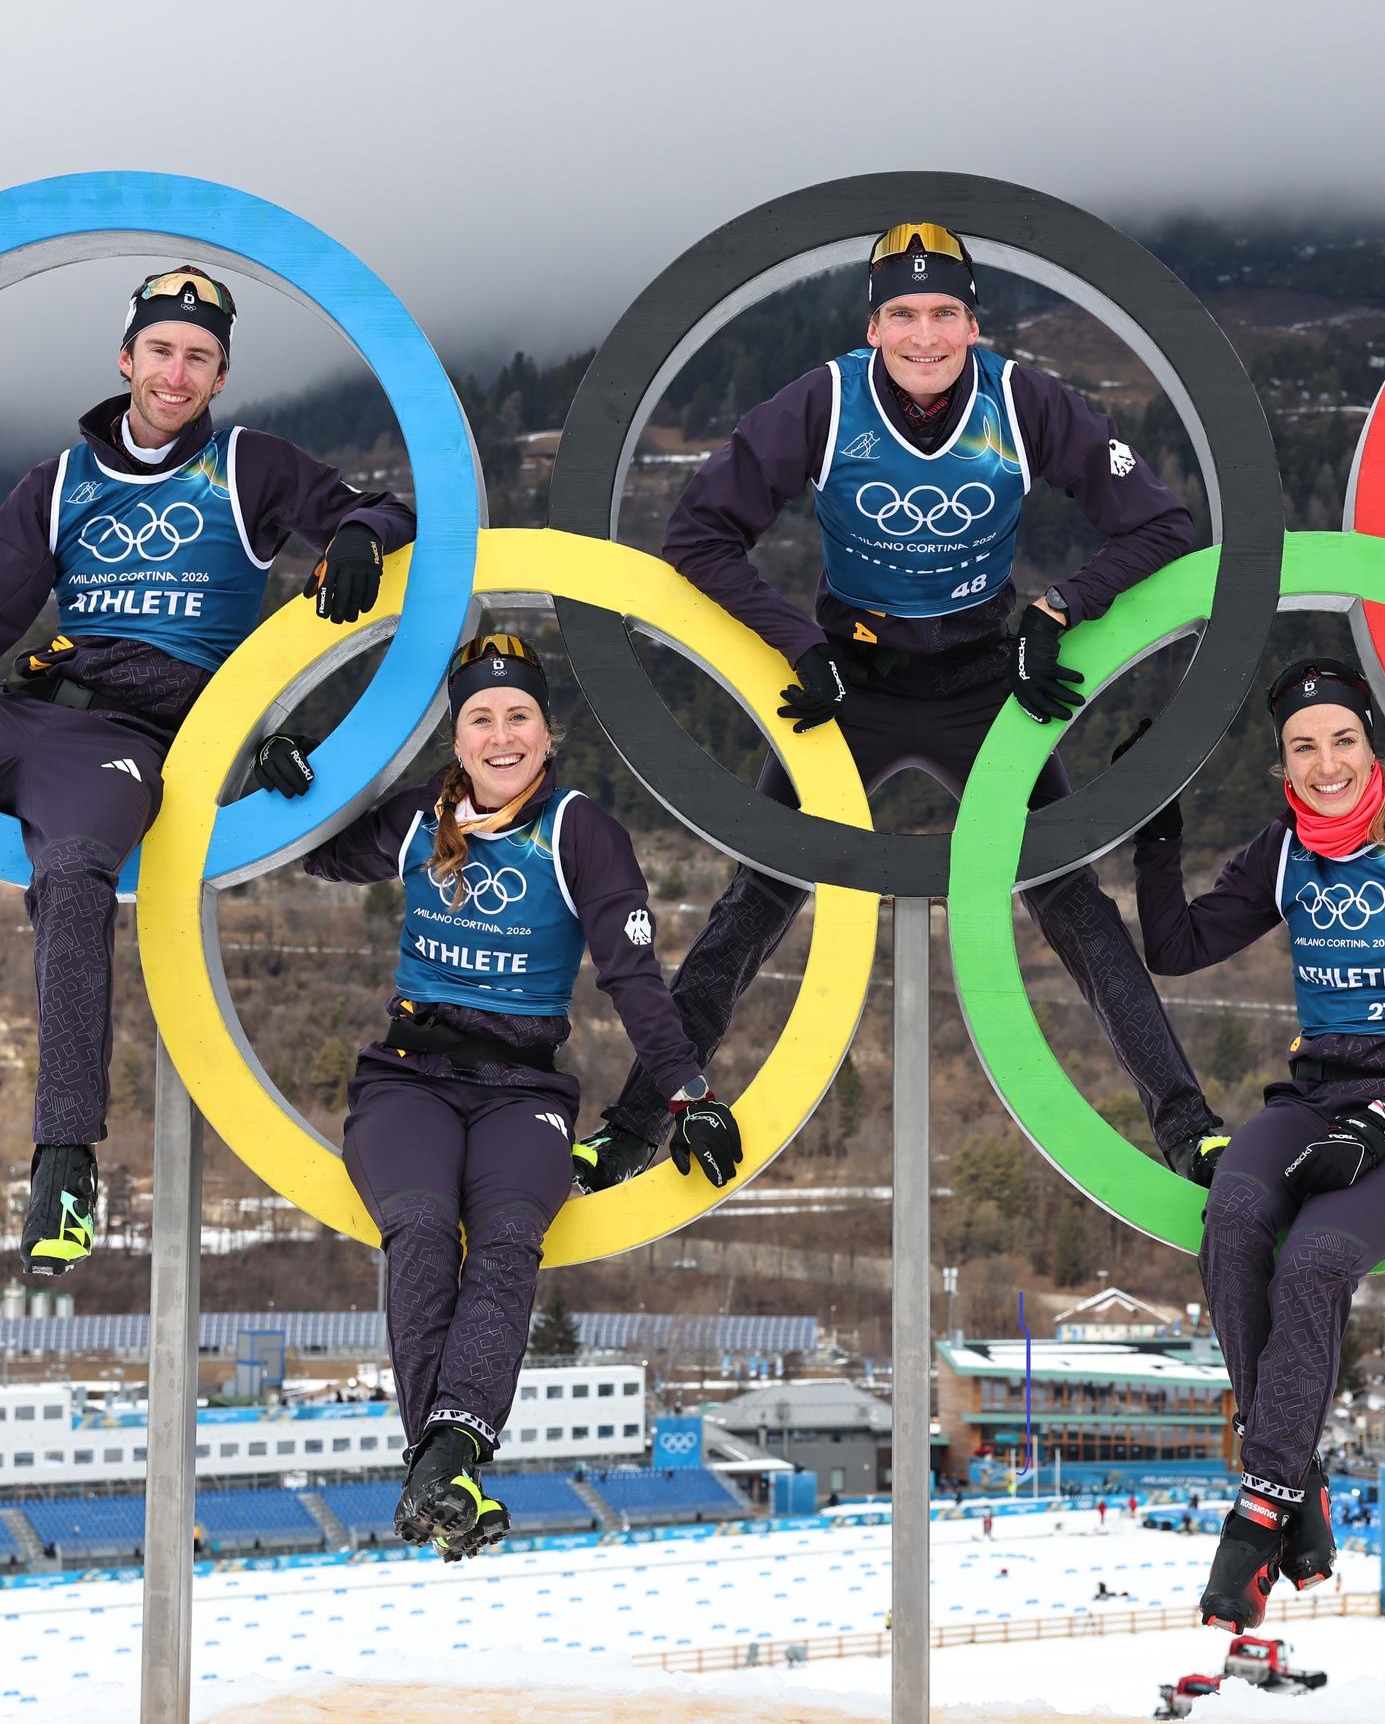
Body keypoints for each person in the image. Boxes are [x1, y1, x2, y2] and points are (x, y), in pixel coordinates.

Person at [588, 221, 1222, 1178]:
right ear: (872, 324)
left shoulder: (1022, 398)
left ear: (974, 323)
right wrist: (802, 642)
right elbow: (699, 537)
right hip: (856, 681)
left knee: (1070, 896)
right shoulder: (825, 402)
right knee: (757, 896)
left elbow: (1163, 523)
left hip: (981, 678)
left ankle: (1188, 1130)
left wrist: (1060, 609)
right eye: (902, 315)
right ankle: (631, 1131)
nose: (924, 335)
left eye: (943, 314)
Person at [263, 633, 741, 1556]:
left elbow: (634, 977)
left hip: (523, 1085)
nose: (501, 734)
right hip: (411, 1076)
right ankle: (446, 1462)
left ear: (548, 731)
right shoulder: (414, 825)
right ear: (457, 740)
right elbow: (310, 849)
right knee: (418, 1224)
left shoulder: (578, 831)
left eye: (518, 713)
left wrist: (689, 1095)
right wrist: (291, 767)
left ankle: (442, 1460)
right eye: (481, 717)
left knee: (512, 1237)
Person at [5, 266, 415, 1277]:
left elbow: (388, 511)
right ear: (125, 358)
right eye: (160, 350)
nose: (175, 371)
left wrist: (359, 536)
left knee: (73, 874)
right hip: (35, 704)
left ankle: (62, 1160)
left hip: (136, 732)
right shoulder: (55, 485)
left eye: (198, 356)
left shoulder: (249, 466)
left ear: (221, 375)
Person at [1130, 657, 1385, 1631]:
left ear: (1371, 741)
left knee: (1312, 1269)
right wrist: (1155, 831)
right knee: (1236, 1219)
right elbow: (1175, 946)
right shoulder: (1286, 851)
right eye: (1304, 747)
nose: (1326, 763)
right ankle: (1298, 1482)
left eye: (1342, 740)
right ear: (1283, 762)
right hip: (1316, 1095)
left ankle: (1261, 1516)